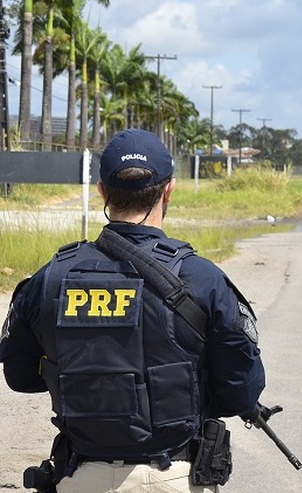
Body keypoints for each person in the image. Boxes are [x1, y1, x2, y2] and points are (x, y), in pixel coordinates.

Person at [0, 129, 268, 492]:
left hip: (79, 477)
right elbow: (241, 390)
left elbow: (20, 376)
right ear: (169, 189)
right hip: (173, 477)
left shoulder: (51, 278)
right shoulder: (202, 278)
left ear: (102, 191)